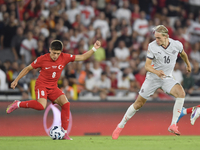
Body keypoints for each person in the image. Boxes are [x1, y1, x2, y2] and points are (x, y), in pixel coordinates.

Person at [6, 40, 101, 140]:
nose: (55, 56)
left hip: (53, 87)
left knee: (66, 104)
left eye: (58, 53)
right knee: (41, 106)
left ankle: (64, 133)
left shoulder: (65, 57)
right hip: (41, 85)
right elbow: (28, 68)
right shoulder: (42, 59)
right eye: (54, 53)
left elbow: (82, 57)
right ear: (50, 50)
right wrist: (16, 80)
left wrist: (94, 48)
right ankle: (18, 104)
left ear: (61, 52)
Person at [112, 25, 191, 139]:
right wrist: (156, 72)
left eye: (158, 38)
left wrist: (188, 65)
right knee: (138, 104)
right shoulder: (152, 46)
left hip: (166, 78)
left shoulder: (177, 44)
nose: (156, 40)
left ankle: (173, 124)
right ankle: (120, 126)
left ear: (166, 36)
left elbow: (183, 54)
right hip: (153, 78)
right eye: (155, 37)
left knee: (181, 93)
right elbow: (147, 66)